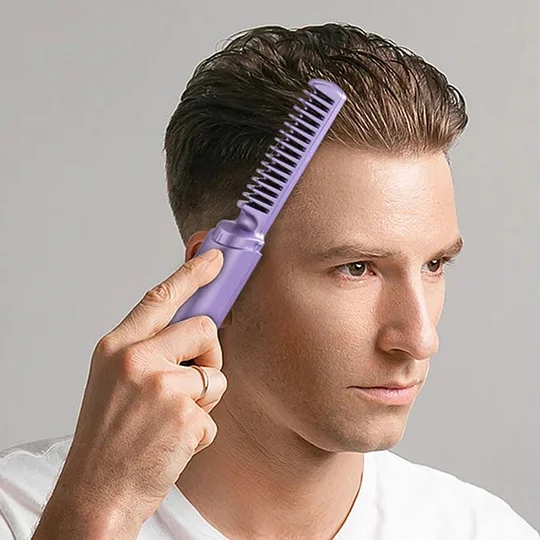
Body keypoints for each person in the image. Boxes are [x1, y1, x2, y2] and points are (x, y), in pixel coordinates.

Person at [0, 22, 538, 540]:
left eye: (435, 265)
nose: (420, 339)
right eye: (356, 268)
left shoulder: (482, 531)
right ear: (214, 276)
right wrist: (101, 513)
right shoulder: (19, 517)